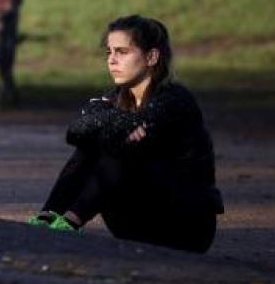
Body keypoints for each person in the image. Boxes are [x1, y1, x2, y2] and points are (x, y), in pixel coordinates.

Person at [28, 16, 223, 253]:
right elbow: (76, 130)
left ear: (152, 57)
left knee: (119, 147)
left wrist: (109, 126)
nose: (111, 60)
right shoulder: (115, 97)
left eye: (122, 52)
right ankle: (48, 218)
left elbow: (105, 127)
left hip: (185, 226)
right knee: (93, 145)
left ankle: (70, 223)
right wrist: (121, 126)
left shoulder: (175, 100)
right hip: (135, 222)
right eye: (109, 52)